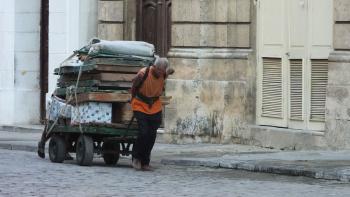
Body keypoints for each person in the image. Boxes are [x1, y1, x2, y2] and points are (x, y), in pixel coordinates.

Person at [130, 57, 174, 171]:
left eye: (163, 71)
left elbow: (168, 72)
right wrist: (133, 100)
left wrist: (170, 71)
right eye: (159, 70)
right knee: (143, 132)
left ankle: (145, 162)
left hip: (154, 105)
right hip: (140, 104)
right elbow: (134, 88)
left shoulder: (163, 74)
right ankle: (136, 158)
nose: (160, 73)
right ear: (155, 67)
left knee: (152, 135)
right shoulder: (143, 73)